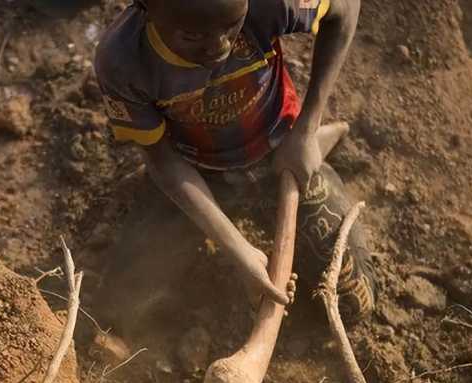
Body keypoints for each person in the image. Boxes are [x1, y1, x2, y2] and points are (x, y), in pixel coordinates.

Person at [93, 0, 374, 334]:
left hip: (280, 152)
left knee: (355, 302)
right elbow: (162, 159)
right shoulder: (124, 61)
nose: (219, 46)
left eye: (231, 25)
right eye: (192, 35)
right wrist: (238, 251)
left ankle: (318, 142)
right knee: (117, 308)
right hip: (197, 173)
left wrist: (306, 129)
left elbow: (346, 10)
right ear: (146, 9)